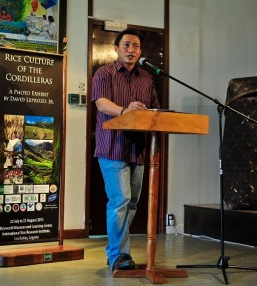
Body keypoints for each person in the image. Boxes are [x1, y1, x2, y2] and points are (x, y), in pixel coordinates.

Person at [91, 29, 160, 272]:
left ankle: (115, 249)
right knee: (120, 200)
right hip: (112, 146)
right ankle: (119, 254)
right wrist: (124, 111)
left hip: (139, 150)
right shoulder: (104, 74)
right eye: (127, 45)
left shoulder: (147, 79)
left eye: (136, 46)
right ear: (116, 48)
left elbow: (154, 111)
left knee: (131, 204)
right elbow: (101, 104)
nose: (132, 50)